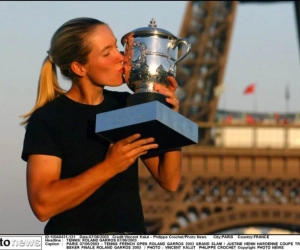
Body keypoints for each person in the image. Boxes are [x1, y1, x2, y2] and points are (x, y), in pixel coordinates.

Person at [20, 17, 182, 235]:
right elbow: (42, 205)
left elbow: (169, 180)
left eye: (116, 46)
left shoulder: (127, 105)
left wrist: (169, 118)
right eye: (107, 53)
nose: (121, 57)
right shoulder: (48, 119)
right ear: (79, 67)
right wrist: (110, 165)